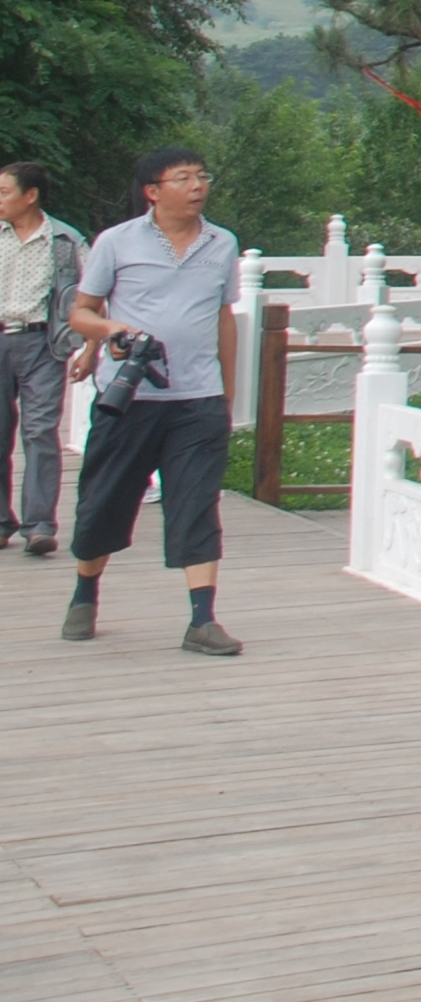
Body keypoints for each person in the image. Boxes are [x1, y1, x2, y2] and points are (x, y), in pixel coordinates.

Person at [62, 148, 241, 655]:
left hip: (198, 399)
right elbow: (82, 312)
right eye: (182, 177)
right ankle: (85, 593)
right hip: (130, 397)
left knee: (197, 504)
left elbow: (224, 317)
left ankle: (202, 619)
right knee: (105, 500)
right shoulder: (116, 242)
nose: (196, 185)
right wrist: (110, 330)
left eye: (201, 175)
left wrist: (227, 393)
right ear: (153, 191)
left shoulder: (222, 242)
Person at [0, 162, 86, 557]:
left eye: (4, 192)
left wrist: (89, 345)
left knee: (39, 433)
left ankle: (40, 525)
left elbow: (91, 293)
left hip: (41, 343)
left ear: (30, 195)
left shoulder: (65, 240)